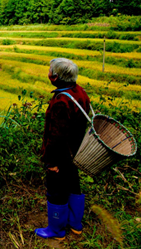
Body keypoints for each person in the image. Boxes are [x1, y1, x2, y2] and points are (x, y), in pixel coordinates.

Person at [35, 58, 90, 241]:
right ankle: (75, 225)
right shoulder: (79, 92)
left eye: (50, 70)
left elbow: (56, 136)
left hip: (61, 155)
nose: (48, 72)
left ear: (55, 77)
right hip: (76, 151)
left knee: (56, 190)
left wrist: (52, 162)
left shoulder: (61, 102)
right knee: (73, 184)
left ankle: (57, 230)